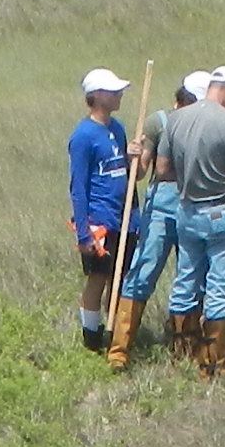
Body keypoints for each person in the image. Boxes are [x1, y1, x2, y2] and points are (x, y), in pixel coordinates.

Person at [151, 65, 225, 378]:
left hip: (187, 211)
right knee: (220, 286)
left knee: (185, 281)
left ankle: (181, 352)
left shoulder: (176, 119)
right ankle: (213, 363)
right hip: (221, 213)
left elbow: (162, 169)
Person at [114, 74, 201, 367]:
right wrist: (134, 157)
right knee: (144, 268)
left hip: (194, 203)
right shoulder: (158, 122)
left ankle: (184, 347)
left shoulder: (206, 123)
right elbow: (140, 173)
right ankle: (120, 349)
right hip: (162, 205)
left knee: (190, 274)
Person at [68, 69, 132, 353]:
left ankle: (116, 336)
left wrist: (134, 157)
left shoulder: (117, 129)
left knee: (121, 279)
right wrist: (83, 234)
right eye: (113, 91)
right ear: (96, 96)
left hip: (124, 219)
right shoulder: (83, 137)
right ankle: (91, 339)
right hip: (99, 221)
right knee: (98, 279)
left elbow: (127, 172)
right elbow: (78, 187)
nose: (119, 95)